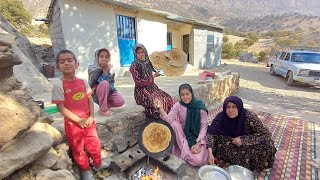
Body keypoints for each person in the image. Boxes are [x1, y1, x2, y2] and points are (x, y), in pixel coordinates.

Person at [52, 50, 108, 180]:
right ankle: (85, 169)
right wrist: (78, 120)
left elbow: (89, 100)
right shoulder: (58, 85)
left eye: (70, 60)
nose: (66, 63)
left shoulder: (83, 82)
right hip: (73, 125)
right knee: (78, 149)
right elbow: (60, 107)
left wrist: (91, 117)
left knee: (95, 144)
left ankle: (98, 163)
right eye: (62, 61)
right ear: (58, 67)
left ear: (77, 64)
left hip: (89, 122)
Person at [207, 96, 276, 171]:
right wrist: (210, 153)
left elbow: (266, 134)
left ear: (239, 107)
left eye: (234, 107)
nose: (230, 110)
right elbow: (211, 134)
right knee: (217, 144)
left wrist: (243, 140)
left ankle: (255, 163)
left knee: (268, 144)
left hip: (247, 144)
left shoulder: (249, 117)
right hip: (228, 145)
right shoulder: (221, 117)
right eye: (228, 107)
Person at [153, 83, 208, 166]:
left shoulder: (200, 106)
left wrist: (198, 143)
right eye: (182, 95)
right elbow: (168, 121)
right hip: (182, 135)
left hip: (197, 136)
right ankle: (185, 151)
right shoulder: (178, 106)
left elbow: (204, 127)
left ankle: (184, 153)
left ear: (191, 94)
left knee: (199, 161)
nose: (185, 97)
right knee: (174, 124)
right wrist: (160, 108)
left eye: (187, 94)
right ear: (180, 96)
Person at [130, 44, 175, 120]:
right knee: (155, 102)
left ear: (145, 52)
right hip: (141, 91)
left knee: (167, 98)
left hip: (152, 87)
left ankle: (170, 119)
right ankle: (158, 122)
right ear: (135, 54)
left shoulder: (147, 61)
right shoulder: (134, 66)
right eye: (138, 53)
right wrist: (153, 77)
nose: (141, 54)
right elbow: (139, 82)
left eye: (142, 52)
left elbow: (156, 68)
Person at [88, 48, 125, 116]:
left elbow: (111, 83)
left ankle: (105, 104)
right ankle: (103, 110)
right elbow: (94, 83)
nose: (104, 59)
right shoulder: (92, 68)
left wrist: (107, 70)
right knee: (104, 83)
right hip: (96, 92)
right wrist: (104, 70)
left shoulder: (111, 68)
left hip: (109, 91)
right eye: (101, 56)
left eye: (107, 57)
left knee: (120, 101)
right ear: (97, 57)